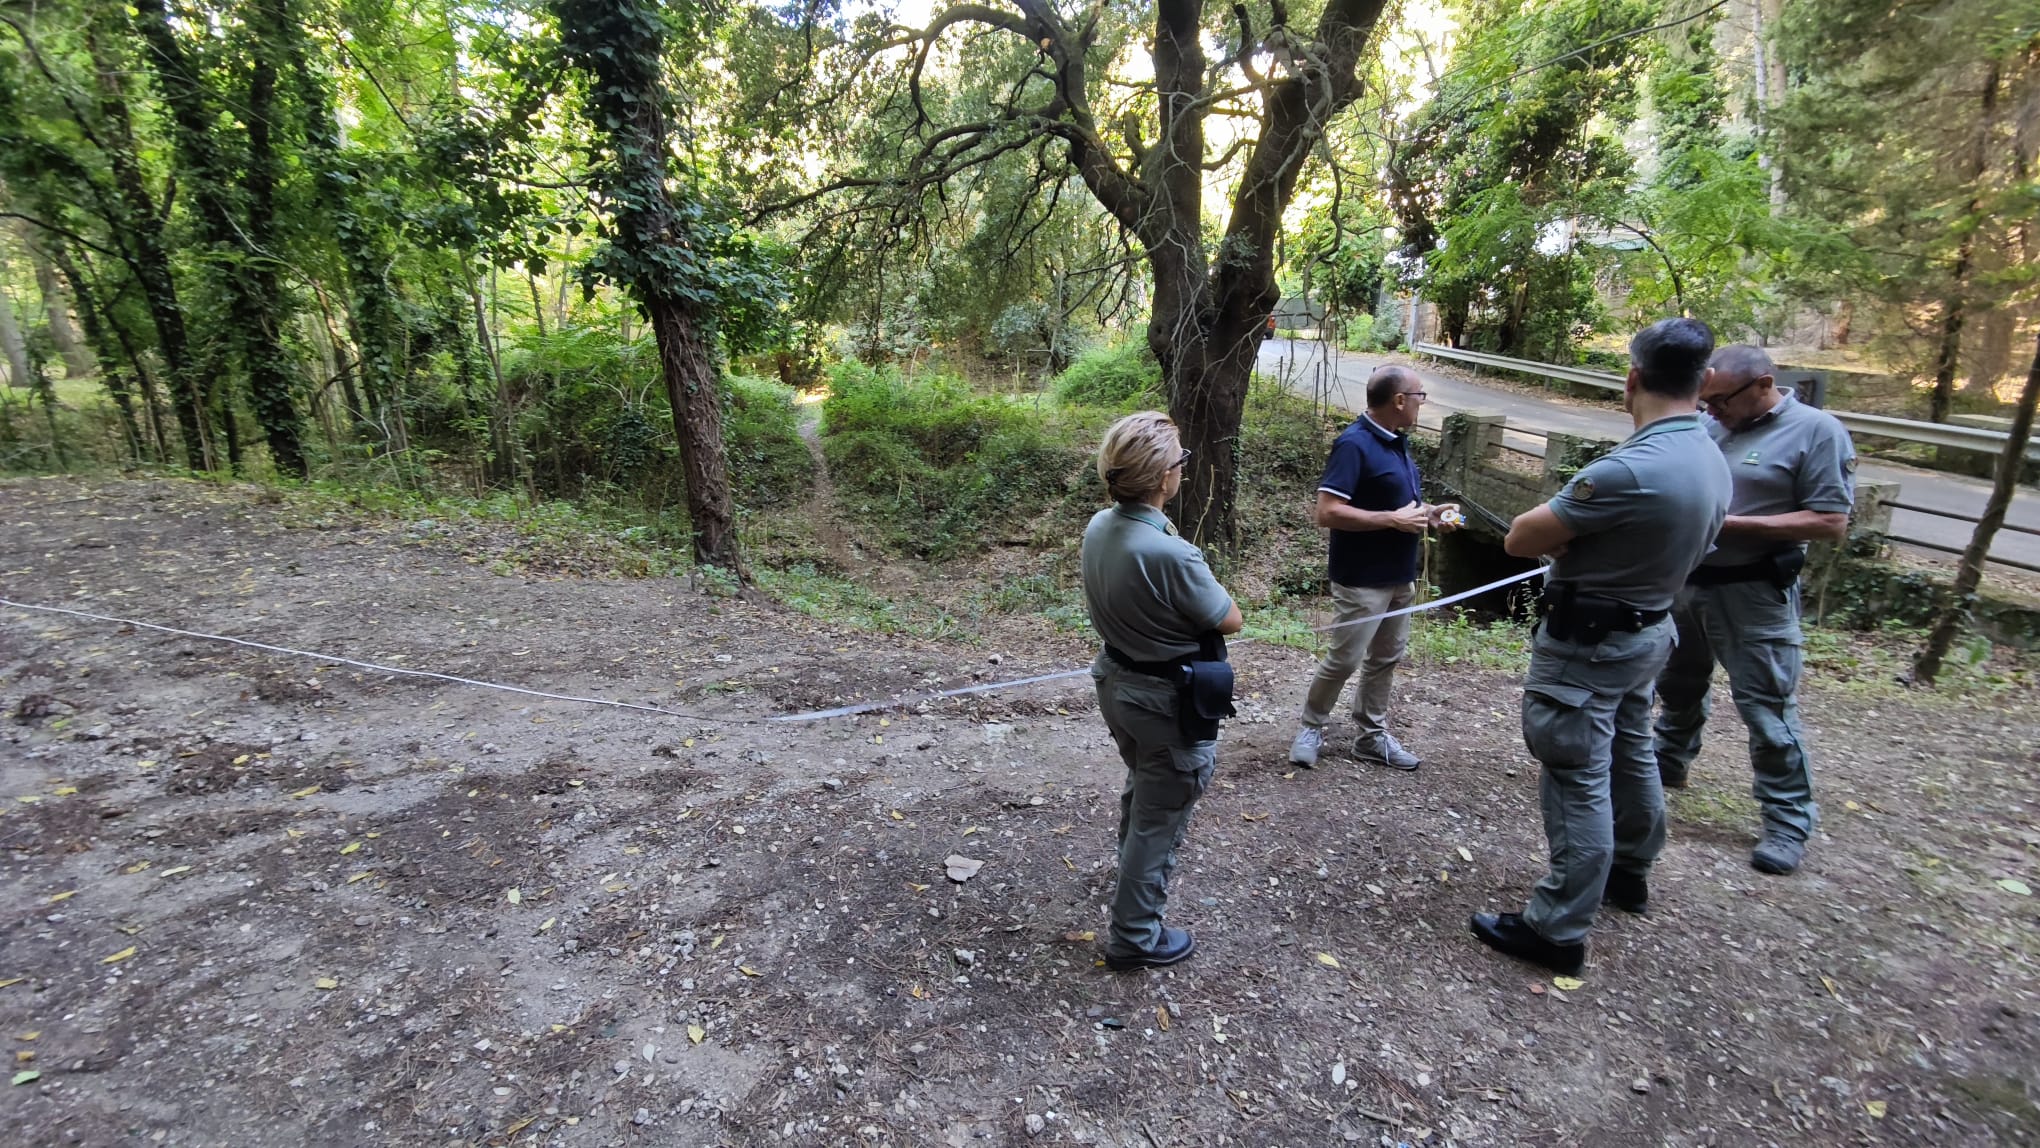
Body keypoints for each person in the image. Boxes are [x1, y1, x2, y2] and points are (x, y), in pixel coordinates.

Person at [1470, 318, 1732, 976]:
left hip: (1591, 644)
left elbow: (1521, 537)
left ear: (1632, 379)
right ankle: (1630, 870)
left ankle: (1557, 927)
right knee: (1630, 748)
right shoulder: (1710, 456)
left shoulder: (1628, 470)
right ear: (1703, 382)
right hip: (1648, 631)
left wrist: (1571, 541)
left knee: (1577, 773)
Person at [1654, 346, 1856, 876]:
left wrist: (1730, 524)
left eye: (1721, 400)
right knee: (1677, 683)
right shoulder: (1708, 424)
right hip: (1686, 582)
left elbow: (1830, 521)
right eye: (1706, 400)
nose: (1712, 410)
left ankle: (1787, 821)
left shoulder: (1817, 431)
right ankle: (1669, 760)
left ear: (1763, 384)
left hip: (1753, 591)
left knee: (1767, 708)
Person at [1081, 412, 1244, 971]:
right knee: (1160, 816)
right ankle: (1134, 936)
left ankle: (1130, 878)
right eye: (1180, 461)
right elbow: (1229, 618)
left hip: (1117, 684)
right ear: (1161, 477)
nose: (1183, 469)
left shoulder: (1100, 526)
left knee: (1145, 790)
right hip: (1163, 700)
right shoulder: (1171, 553)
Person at [1287, 365, 1460, 771]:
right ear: (1399, 400)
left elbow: (1395, 505)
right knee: (1344, 660)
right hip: (1362, 578)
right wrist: (1391, 520)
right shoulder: (1353, 444)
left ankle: (1371, 735)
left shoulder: (1397, 442)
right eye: (1419, 396)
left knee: (1386, 658)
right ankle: (1311, 727)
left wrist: (1429, 513)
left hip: (1399, 575)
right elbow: (1327, 512)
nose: (1422, 403)